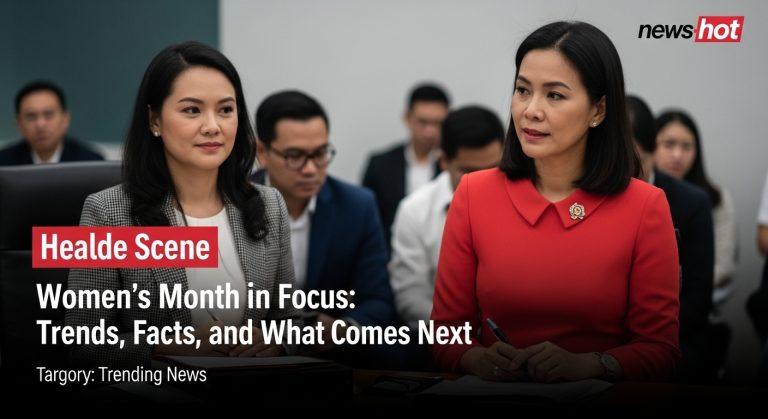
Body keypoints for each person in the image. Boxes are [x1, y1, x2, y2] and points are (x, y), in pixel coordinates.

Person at [431, 21, 680, 383]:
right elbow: (444, 332)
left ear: (598, 110)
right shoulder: (473, 193)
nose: (530, 110)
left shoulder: (645, 206)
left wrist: (594, 364)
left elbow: (660, 349)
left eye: (555, 95)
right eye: (522, 90)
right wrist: (474, 358)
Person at [65, 42, 301, 368]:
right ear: (155, 120)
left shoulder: (269, 204)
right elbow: (82, 344)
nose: (212, 126)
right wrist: (165, 348)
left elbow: (291, 321)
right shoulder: (108, 212)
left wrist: (276, 343)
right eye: (192, 110)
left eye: (226, 110)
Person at [252, 90, 396, 366]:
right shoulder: (233, 203)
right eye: (294, 156)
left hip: (329, 360)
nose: (309, 169)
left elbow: (378, 301)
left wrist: (346, 328)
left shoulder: (357, 206)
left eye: (320, 154)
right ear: (263, 152)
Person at [627, 95, 728, 382]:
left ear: (651, 150)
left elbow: (697, 296)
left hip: (672, 335)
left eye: (636, 161)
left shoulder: (691, 202)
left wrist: (645, 342)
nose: (627, 173)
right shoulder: (596, 194)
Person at [390, 105, 503, 330]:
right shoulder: (414, 211)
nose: (484, 181)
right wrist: (459, 334)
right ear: (443, 161)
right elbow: (411, 296)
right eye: (469, 171)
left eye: (494, 168)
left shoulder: (526, 200)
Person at [654, 110, 738, 305]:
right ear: (652, 145)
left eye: (686, 146)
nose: (677, 155)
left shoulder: (716, 198)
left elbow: (724, 267)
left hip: (697, 303)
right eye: (669, 144)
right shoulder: (639, 195)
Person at [362, 83, 450, 249]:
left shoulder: (453, 166)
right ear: (407, 118)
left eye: (437, 123)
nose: (429, 131)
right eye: (423, 122)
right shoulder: (380, 164)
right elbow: (368, 222)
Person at [0, 81, 103, 165]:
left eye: (48, 114)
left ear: (65, 119)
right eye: (31, 116)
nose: (40, 124)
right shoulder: (4, 163)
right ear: (19, 124)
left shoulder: (90, 162)